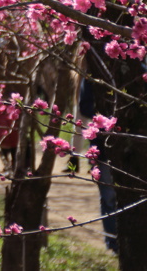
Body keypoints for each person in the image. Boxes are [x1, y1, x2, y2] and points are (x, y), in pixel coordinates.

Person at [79, 78, 118, 254]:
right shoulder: (92, 77)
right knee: (109, 196)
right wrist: (108, 116)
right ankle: (113, 241)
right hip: (102, 146)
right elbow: (85, 107)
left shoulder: (139, 69)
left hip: (133, 144)